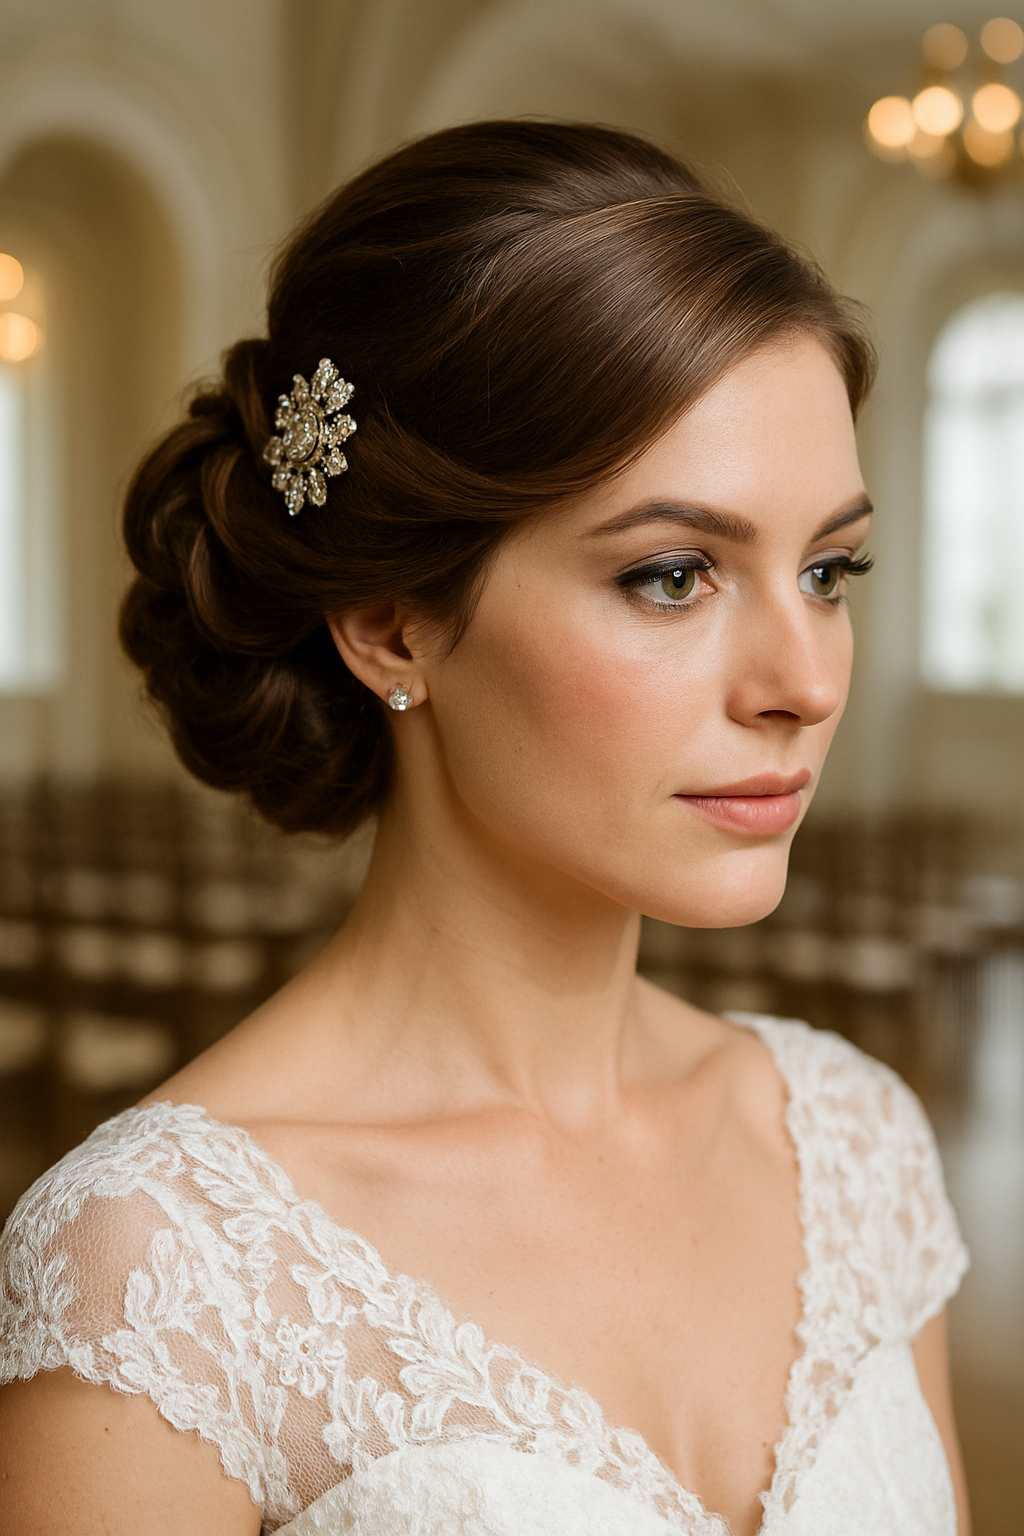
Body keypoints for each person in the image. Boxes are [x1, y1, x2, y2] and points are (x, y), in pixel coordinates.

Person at [0, 121, 969, 1536]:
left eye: (828, 569)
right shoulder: (163, 1275)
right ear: (393, 625)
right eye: (674, 574)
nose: (806, 682)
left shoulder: (855, 1143)